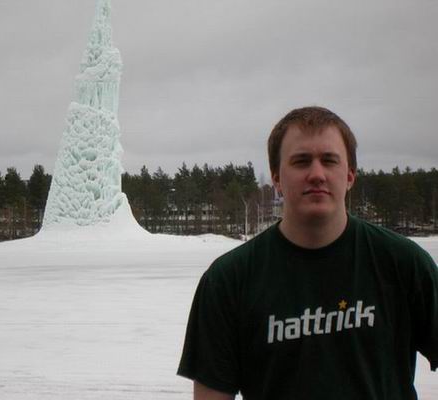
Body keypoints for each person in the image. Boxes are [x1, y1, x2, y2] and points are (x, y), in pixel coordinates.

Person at [177, 106, 438, 400]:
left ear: (350, 175)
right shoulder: (228, 280)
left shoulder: (404, 264)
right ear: (276, 178)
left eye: (329, 160)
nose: (317, 174)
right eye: (301, 162)